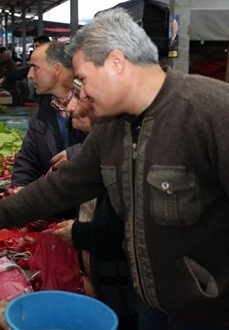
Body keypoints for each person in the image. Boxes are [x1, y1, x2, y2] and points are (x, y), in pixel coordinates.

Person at [0, 8, 229, 329]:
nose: (79, 94)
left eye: (83, 79)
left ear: (116, 63)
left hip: (219, 317)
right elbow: (63, 185)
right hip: (154, 309)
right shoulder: (115, 127)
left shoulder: (217, 114)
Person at [48, 79, 139, 329]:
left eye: (79, 98)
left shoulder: (124, 155)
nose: (70, 108)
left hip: (125, 293)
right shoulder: (99, 146)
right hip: (104, 279)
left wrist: (79, 233)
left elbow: (121, 229)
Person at [11, 41, 86, 190]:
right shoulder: (42, 116)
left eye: (35, 67)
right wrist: (18, 188)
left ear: (57, 69)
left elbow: (115, 143)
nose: (29, 75)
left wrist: (76, 154)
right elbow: (27, 160)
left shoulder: (95, 103)